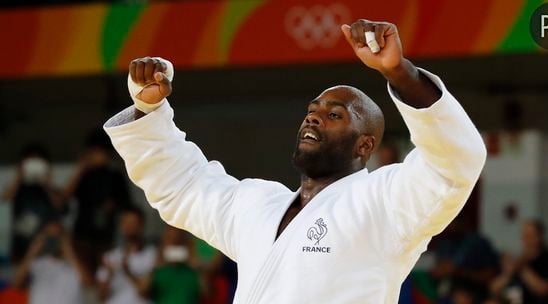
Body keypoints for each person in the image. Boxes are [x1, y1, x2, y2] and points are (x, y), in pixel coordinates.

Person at [103, 19, 486, 303]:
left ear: (364, 146)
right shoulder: (257, 203)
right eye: (312, 110)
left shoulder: (383, 203)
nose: (313, 117)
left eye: (334, 115)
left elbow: (453, 164)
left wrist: (398, 72)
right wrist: (148, 109)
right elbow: (182, 185)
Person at [62, 129, 131, 273]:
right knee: (82, 274)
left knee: (104, 275)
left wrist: (113, 205)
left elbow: (126, 204)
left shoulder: (115, 176)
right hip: (82, 236)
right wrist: (81, 168)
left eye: (100, 152)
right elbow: (64, 199)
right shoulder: (83, 175)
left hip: (105, 237)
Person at [2, 144, 63, 262]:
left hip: (47, 250)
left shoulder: (50, 188)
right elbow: (5, 197)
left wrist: (46, 184)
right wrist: (19, 176)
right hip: (21, 248)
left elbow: (61, 205)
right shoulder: (19, 187)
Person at [12, 220, 92, 304]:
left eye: (57, 236)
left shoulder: (75, 262)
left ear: (65, 237)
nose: (53, 240)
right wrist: (32, 252)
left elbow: (89, 284)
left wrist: (69, 252)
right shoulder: (36, 263)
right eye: (49, 235)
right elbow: (16, 284)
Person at [489, 219, 548, 304]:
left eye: (530, 236)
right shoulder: (518, 259)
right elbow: (493, 289)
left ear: (540, 237)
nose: (526, 240)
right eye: (524, 236)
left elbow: (545, 290)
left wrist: (523, 269)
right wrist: (508, 273)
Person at [97, 207, 156, 304]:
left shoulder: (153, 255)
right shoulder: (109, 257)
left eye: (133, 223)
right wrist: (109, 274)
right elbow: (101, 296)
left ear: (141, 226)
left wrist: (127, 271)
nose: (129, 227)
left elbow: (146, 293)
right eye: (126, 223)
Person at [139, 225, 203, 304]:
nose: (175, 250)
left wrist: (198, 268)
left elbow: (208, 294)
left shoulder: (193, 270)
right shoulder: (158, 270)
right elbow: (142, 292)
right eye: (172, 242)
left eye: (179, 243)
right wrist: (154, 267)